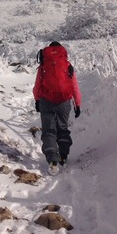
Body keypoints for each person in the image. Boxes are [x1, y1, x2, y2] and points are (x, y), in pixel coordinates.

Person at [33, 41, 82, 175]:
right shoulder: (67, 65)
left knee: (49, 130)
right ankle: (63, 156)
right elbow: (74, 86)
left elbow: (38, 85)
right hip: (64, 101)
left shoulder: (44, 65)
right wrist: (77, 104)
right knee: (62, 128)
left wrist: (37, 100)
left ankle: (52, 161)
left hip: (46, 101)